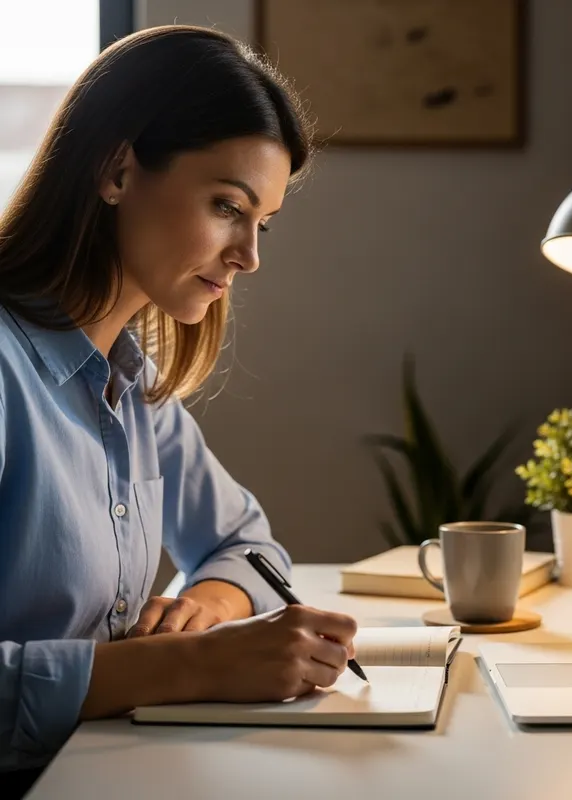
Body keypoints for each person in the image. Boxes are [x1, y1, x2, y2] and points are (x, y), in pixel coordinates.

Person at [0, 24, 358, 792]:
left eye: (262, 222)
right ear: (117, 171)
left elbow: (245, 543)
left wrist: (208, 604)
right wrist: (186, 666)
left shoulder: (133, 386)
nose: (249, 256)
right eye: (227, 206)